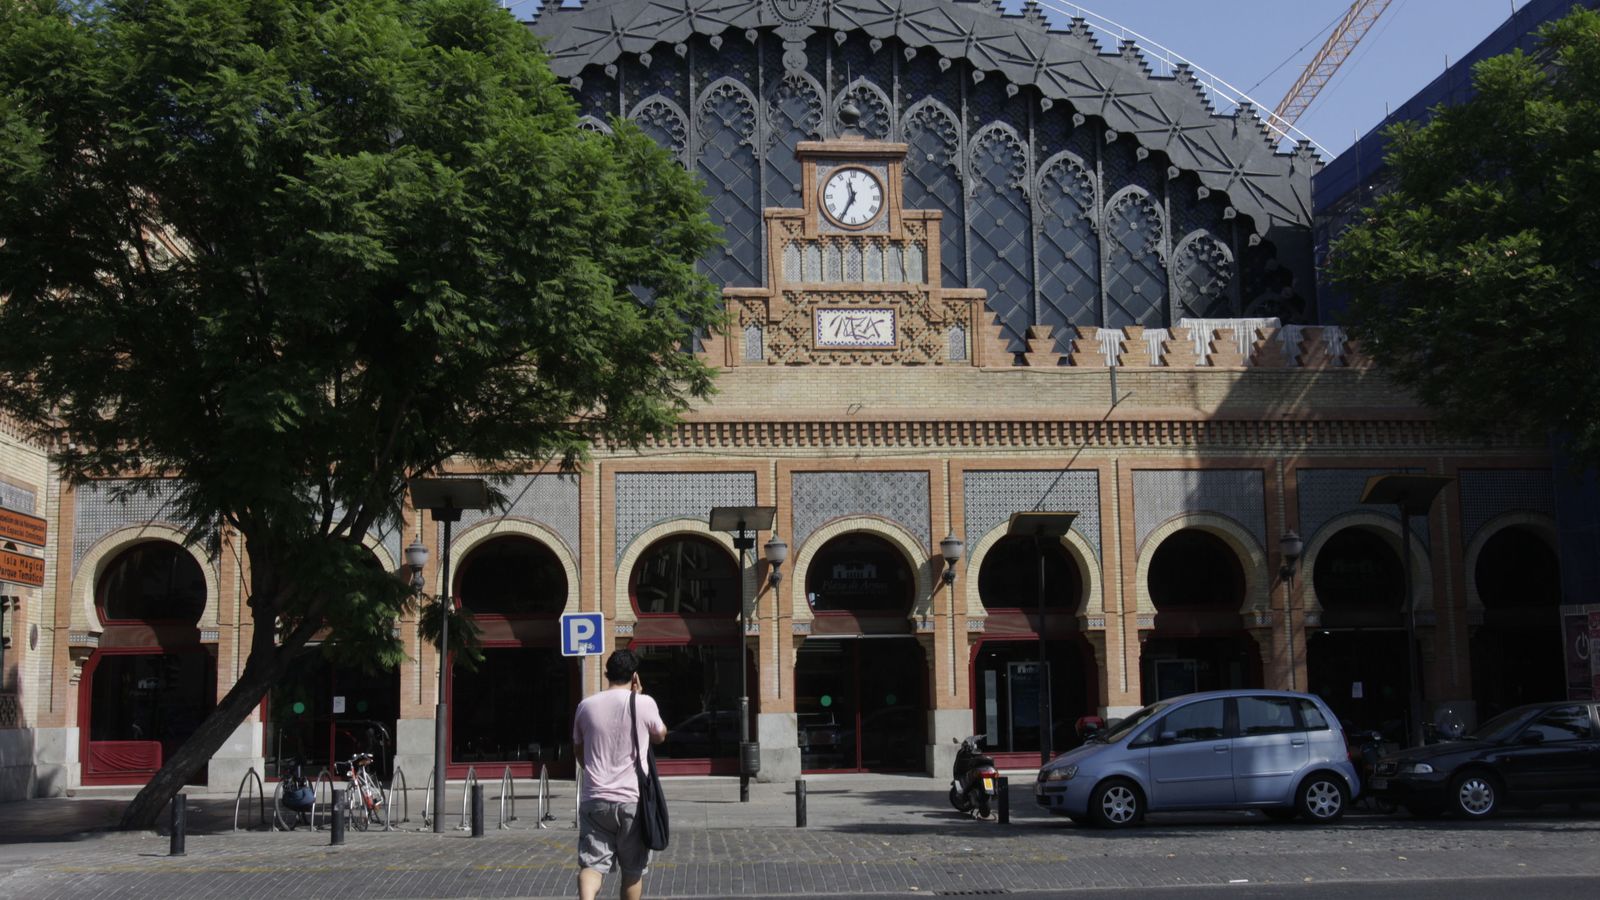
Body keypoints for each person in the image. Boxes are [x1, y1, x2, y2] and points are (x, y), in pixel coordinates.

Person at [572, 649, 667, 900]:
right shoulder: (644, 703)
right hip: (632, 802)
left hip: (595, 799)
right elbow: (660, 735)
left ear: (607, 674)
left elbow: (579, 752)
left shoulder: (586, 706)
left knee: (591, 865)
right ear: (634, 676)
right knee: (632, 870)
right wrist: (639, 696)